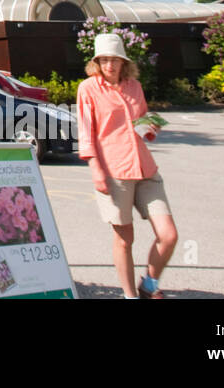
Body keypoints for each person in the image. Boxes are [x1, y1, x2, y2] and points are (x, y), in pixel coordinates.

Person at [76, 33, 178, 298]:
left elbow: (141, 121)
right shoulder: (88, 88)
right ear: (97, 62)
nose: (109, 65)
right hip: (113, 172)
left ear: (124, 62)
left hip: (145, 168)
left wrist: (151, 127)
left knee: (169, 235)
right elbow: (86, 132)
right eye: (104, 60)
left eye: (115, 60)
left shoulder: (135, 86)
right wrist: (95, 169)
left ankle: (150, 285)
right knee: (124, 240)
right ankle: (130, 295)